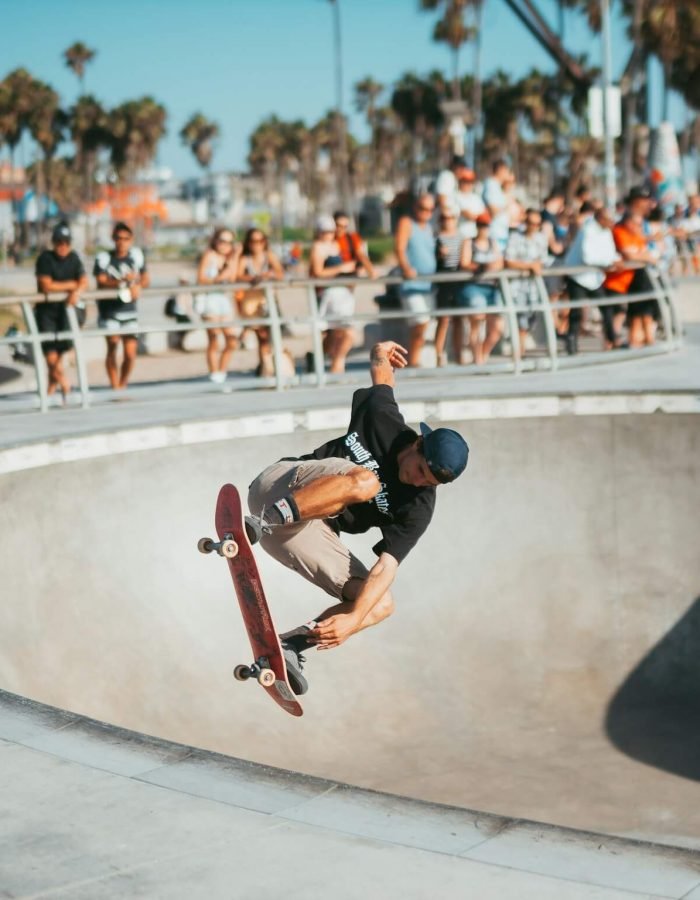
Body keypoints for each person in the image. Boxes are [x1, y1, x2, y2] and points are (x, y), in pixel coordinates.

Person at [244, 339, 469, 693]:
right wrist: (381, 352)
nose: (420, 481)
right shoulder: (385, 421)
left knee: (378, 604)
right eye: (421, 470)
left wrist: (353, 619)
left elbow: (386, 567)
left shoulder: (419, 506)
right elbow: (383, 377)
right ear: (416, 445)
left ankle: (289, 646)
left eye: (432, 481)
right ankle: (263, 521)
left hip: (303, 532)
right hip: (278, 488)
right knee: (366, 481)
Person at [34, 222, 88, 403]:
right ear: (54, 242)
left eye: (66, 242)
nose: (63, 245)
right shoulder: (45, 259)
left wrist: (77, 291)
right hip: (47, 314)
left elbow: (84, 281)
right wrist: (72, 286)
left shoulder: (74, 258)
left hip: (66, 314)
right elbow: (46, 285)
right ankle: (65, 385)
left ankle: (50, 395)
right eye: (59, 242)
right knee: (50, 358)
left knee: (58, 359)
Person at [93, 222, 150, 390]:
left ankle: (122, 384)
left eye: (126, 239)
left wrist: (138, 284)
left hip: (129, 311)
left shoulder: (136, 257)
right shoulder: (104, 258)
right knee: (112, 345)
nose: (122, 242)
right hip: (109, 311)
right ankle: (114, 385)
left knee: (130, 353)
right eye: (118, 238)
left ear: (131, 240)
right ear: (113, 239)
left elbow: (146, 278)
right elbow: (101, 280)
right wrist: (120, 282)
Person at [604, 187, 659, 348]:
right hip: (618, 280)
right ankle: (613, 344)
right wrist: (648, 257)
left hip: (632, 278)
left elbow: (643, 251)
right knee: (618, 313)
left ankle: (641, 339)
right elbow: (631, 255)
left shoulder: (638, 230)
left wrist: (648, 255)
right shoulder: (621, 229)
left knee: (635, 311)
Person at [562, 204, 622, 353]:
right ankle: (572, 343)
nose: (611, 223)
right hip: (578, 276)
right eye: (608, 220)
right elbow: (588, 257)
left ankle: (612, 339)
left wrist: (616, 260)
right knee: (576, 311)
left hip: (594, 278)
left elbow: (609, 252)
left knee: (606, 308)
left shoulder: (605, 231)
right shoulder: (587, 230)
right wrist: (608, 262)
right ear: (600, 219)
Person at [309, 214, 357, 373]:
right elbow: (317, 272)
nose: (328, 234)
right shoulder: (318, 247)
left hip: (342, 294)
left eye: (330, 231)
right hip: (330, 295)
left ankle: (330, 365)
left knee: (338, 334)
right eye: (324, 231)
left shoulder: (337, 245)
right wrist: (341, 269)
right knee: (346, 333)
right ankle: (336, 365)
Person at [394, 193, 437, 367]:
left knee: (424, 324)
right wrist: (406, 268)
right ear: (415, 207)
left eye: (430, 209)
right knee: (420, 321)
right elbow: (399, 248)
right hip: (411, 284)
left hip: (428, 285)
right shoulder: (406, 223)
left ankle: (414, 360)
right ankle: (413, 360)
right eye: (422, 208)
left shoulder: (429, 228)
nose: (426, 212)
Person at [236, 227, 285, 376]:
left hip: (267, 300)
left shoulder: (269, 256)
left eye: (260, 240)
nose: (257, 244)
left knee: (272, 335)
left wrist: (268, 275)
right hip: (252, 301)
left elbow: (280, 273)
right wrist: (253, 278)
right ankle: (266, 368)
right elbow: (238, 275)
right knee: (262, 337)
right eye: (253, 241)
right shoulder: (245, 258)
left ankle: (267, 367)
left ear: (264, 242)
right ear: (248, 243)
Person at [196, 227, 241, 383]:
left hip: (224, 301)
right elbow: (201, 279)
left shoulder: (229, 258)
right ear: (215, 240)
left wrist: (235, 257)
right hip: (210, 300)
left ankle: (222, 372)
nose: (225, 245)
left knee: (232, 340)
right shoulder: (209, 255)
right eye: (222, 241)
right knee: (214, 339)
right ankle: (214, 374)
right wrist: (218, 279)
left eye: (229, 242)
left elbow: (233, 278)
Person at [504, 208, 550, 356]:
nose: (533, 226)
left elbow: (542, 260)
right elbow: (509, 261)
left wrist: (535, 265)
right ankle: (519, 353)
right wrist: (529, 266)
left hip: (534, 288)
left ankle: (521, 352)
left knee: (529, 320)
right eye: (530, 223)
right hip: (517, 286)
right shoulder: (515, 237)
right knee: (520, 320)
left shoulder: (541, 238)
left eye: (537, 224)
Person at [459, 213, 504, 364]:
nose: (483, 229)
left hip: (492, 287)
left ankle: (483, 355)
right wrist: (482, 267)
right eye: (481, 225)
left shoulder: (493, 242)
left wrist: (492, 267)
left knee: (497, 327)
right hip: (474, 287)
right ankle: (478, 359)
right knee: (476, 323)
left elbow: (499, 263)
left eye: (486, 225)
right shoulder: (469, 242)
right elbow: (464, 263)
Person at [433, 205, 467, 366]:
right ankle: (439, 354)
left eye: (451, 218)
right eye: (444, 218)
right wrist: (439, 254)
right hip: (443, 279)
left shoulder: (462, 237)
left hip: (458, 278)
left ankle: (458, 353)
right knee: (444, 319)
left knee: (459, 318)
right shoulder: (436, 237)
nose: (448, 221)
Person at [333, 210, 376, 280]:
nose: (341, 229)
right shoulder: (328, 239)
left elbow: (361, 255)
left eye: (345, 227)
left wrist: (371, 271)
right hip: (334, 275)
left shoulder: (352, 238)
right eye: (339, 226)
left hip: (350, 274)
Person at [482, 159, 512, 252]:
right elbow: (493, 210)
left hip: (501, 233)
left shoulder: (498, 186)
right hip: (494, 233)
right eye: (507, 170)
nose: (508, 174)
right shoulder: (491, 185)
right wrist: (505, 206)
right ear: (501, 170)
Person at [454, 168, 486, 240]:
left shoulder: (476, 198)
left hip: (474, 236)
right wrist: (476, 217)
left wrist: (477, 217)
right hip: (459, 236)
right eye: (465, 181)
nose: (468, 184)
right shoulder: (455, 196)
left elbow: (483, 216)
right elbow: (469, 215)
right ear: (460, 181)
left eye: (470, 181)